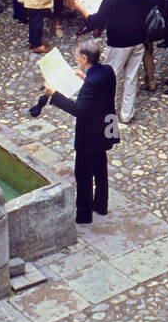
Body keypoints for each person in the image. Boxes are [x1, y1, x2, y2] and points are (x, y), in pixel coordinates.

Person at [31, 38, 118, 224]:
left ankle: (84, 215)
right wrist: (85, 78)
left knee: (83, 175)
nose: (75, 57)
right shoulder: (107, 71)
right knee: (101, 169)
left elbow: (79, 109)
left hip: (90, 135)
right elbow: (99, 87)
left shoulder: (91, 83)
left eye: (77, 55)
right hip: (106, 128)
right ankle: (101, 206)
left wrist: (53, 94)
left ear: (85, 58)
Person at [81, 0, 155, 124]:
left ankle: (108, 112)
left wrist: (82, 10)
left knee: (110, 78)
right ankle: (127, 114)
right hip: (138, 41)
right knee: (131, 77)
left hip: (119, 43)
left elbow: (98, 20)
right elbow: (152, 8)